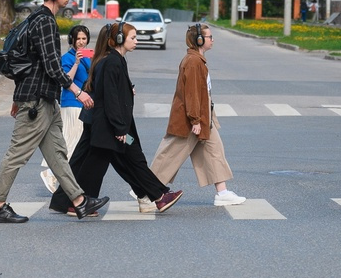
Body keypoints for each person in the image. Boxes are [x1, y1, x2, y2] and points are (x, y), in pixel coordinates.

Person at [0, 0, 108, 223]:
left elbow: (29, 65)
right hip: (36, 102)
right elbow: (53, 66)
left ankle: (79, 201)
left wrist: (17, 97)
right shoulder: (44, 22)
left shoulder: (39, 19)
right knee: (17, 154)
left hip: (46, 100)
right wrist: (77, 91)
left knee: (57, 153)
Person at [75, 21, 180, 214]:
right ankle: (159, 196)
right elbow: (110, 99)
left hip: (115, 127)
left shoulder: (117, 60)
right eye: (133, 37)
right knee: (119, 162)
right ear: (120, 39)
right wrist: (120, 128)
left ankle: (156, 196)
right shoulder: (112, 62)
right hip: (113, 128)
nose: (136, 41)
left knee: (129, 160)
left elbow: (115, 92)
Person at [150, 23, 246, 207]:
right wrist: (195, 120)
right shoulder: (193, 62)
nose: (213, 40)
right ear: (200, 40)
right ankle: (144, 188)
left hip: (202, 116)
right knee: (170, 153)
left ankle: (222, 193)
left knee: (214, 151)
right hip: (192, 119)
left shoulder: (197, 60)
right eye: (210, 37)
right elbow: (192, 94)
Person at [41, 24, 92, 194]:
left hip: (85, 105)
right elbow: (65, 80)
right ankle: (51, 174)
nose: (81, 42)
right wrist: (76, 63)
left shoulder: (88, 57)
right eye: (78, 39)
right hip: (72, 104)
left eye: (84, 38)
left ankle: (66, 179)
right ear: (72, 40)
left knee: (74, 142)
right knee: (72, 142)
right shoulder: (67, 58)